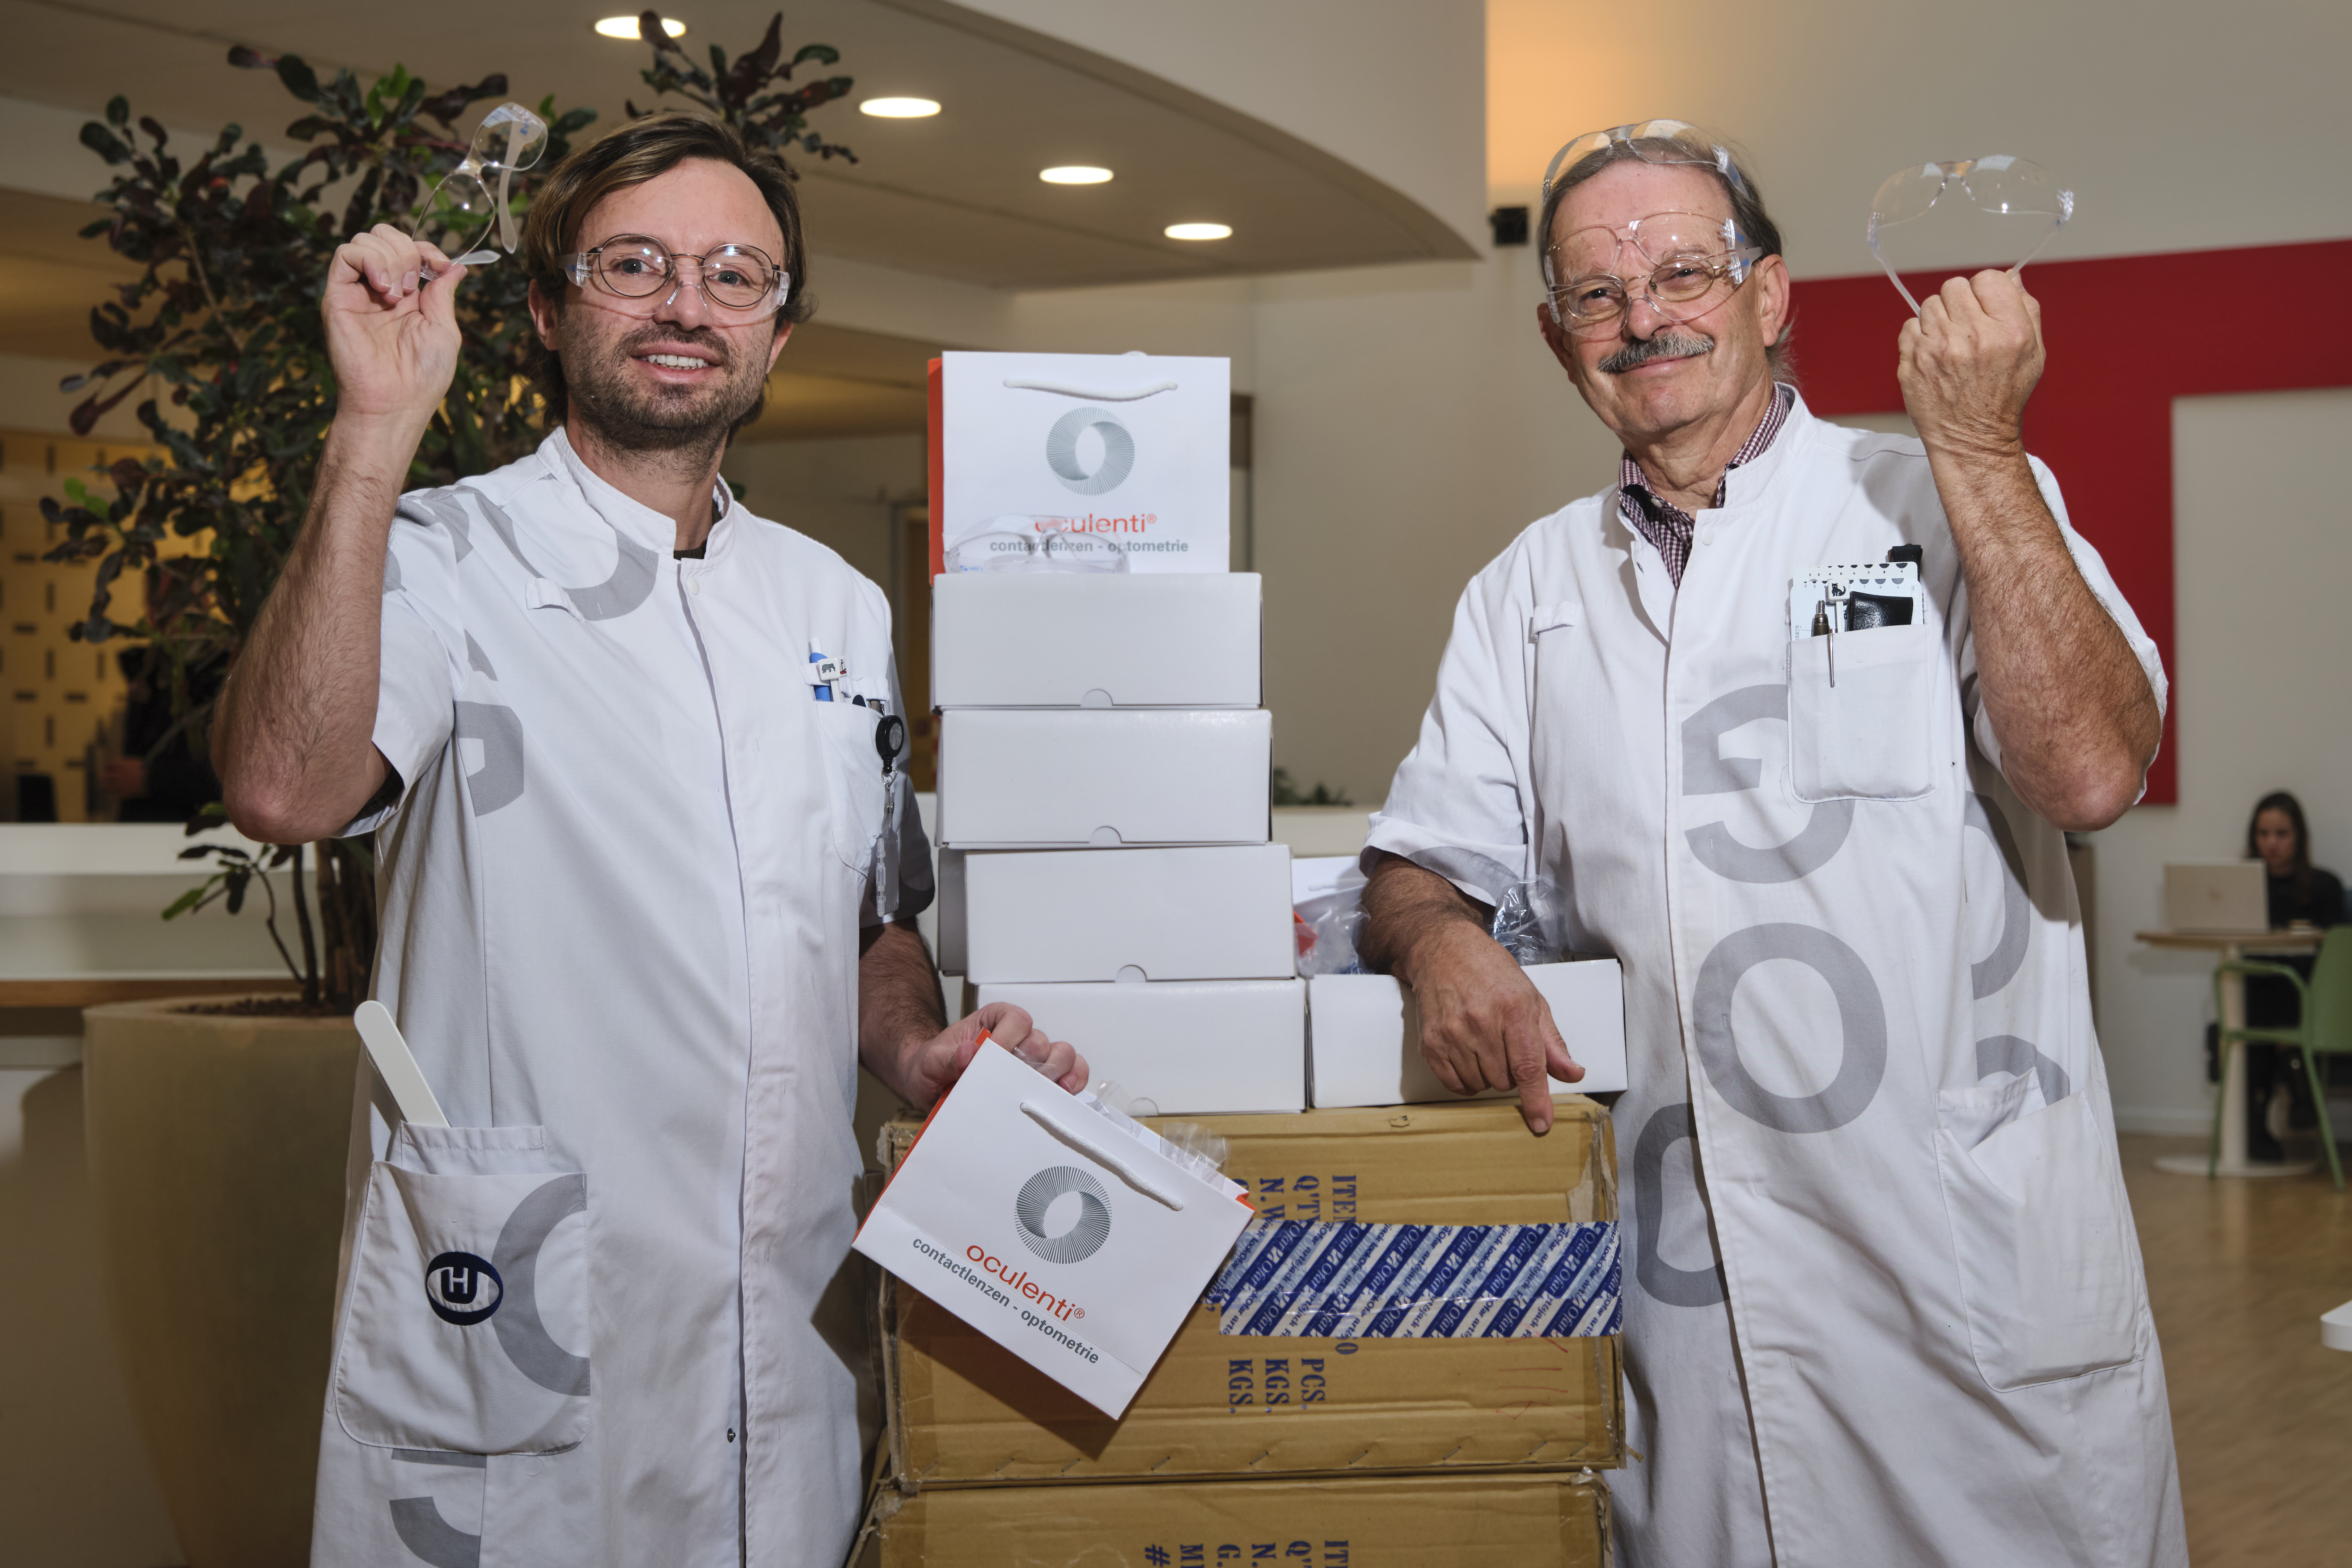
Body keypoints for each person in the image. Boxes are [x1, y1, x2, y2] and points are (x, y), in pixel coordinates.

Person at [214, 112, 1084, 1568]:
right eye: (638, 264)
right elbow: (284, 791)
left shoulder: (836, 612)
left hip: (783, 1306)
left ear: (778, 332)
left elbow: (870, 910)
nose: (690, 304)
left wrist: (914, 1047)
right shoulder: (437, 556)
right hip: (523, 1305)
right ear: (550, 311)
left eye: (736, 275)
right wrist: (373, 427)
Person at [1355, 121, 2183, 1565]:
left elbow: (2092, 774)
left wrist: (1982, 446)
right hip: (1684, 1302)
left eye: (1682, 270)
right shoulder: (1526, 592)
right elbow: (1420, 861)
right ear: (1558, 341)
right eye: (1596, 295)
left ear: (1770, 295)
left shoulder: (1940, 501)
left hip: (1958, 1279)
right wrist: (1439, 942)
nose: (1642, 319)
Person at [2239, 790, 2343, 1157]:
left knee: (2283, 986)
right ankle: (2300, 1091)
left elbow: (2335, 957)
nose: (2270, 843)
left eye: (2280, 834)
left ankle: (2257, 1126)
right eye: (2263, 834)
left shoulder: (2325, 887)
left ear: (2298, 836)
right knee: (2263, 989)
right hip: (2259, 992)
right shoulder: (2239, 887)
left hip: (2312, 998)